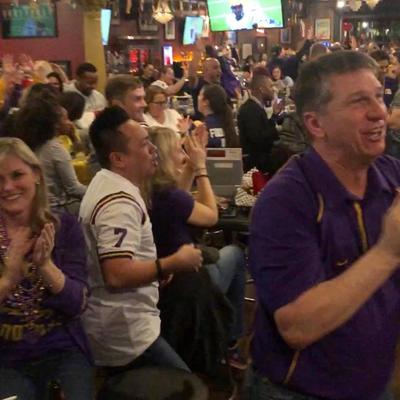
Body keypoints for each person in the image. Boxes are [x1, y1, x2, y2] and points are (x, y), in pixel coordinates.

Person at [248, 50, 400, 400]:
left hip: (374, 380)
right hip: (300, 391)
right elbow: (297, 326)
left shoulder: (390, 176)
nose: (380, 112)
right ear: (316, 124)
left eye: (379, 96)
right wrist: (388, 252)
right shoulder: (285, 201)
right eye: (360, 102)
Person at [79, 106, 203, 372]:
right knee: (187, 388)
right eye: (145, 144)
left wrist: (154, 270)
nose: (153, 150)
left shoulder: (109, 184)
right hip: (125, 335)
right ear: (118, 158)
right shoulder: (118, 203)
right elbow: (116, 274)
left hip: (123, 324)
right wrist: (171, 263)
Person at [145, 126, 246, 369]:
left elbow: (178, 198)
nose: (182, 153)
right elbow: (211, 217)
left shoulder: (152, 189)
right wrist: (201, 168)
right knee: (236, 254)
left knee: (221, 255)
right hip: (188, 283)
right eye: (178, 150)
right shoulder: (169, 196)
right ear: (165, 156)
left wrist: (190, 165)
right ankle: (231, 340)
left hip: (168, 284)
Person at [0, 137, 92, 400]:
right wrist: (8, 279)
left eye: (17, 175)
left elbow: (78, 305)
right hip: (5, 360)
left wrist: (45, 266)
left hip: (62, 352)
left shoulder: (64, 227)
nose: (8, 187)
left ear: (37, 175)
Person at [15, 97, 86, 213]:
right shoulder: (55, 148)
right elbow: (73, 189)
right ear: (55, 124)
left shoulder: (24, 145)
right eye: (66, 119)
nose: (70, 123)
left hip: (33, 208)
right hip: (56, 209)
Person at [237, 73, 281, 172]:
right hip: (255, 167)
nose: (273, 89)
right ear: (262, 89)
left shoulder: (256, 108)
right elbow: (259, 139)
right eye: (270, 86)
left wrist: (274, 115)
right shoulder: (250, 110)